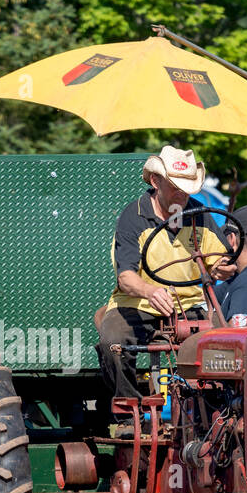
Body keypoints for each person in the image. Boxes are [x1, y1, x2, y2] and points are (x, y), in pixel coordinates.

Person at [96, 146, 237, 400]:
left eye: (188, 189)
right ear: (155, 181)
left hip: (191, 306)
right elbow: (125, 278)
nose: (183, 195)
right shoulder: (133, 216)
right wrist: (150, 291)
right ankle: (129, 412)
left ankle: (213, 411)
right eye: (176, 187)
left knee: (226, 347)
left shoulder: (199, 215)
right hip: (137, 303)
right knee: (112, 342)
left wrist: (222, 267)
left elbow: (220, 259)